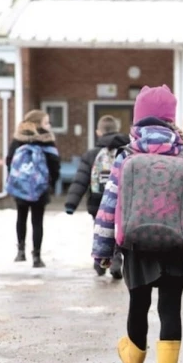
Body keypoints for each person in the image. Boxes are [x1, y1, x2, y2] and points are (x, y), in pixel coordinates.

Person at [92, 85, 183, 363]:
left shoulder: (126, 156)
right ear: (171, 120)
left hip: (136, 244)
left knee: (139, 303)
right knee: (170, 308)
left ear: (138, 119)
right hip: (176, 244)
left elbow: (108, 208)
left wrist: (102, 250)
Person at [64, 115, 131, 279]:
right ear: (118, 128)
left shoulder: (91, 154)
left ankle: (99, 262)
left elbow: (81, 180)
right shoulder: (128, 152)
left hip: (97, 201)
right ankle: (116, 261)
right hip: (122, 200)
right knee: (118, 231)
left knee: (100, 230)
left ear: (98, 132)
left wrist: (71, 203)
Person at [5, 109, 60, 268]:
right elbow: (55, 164)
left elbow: (9, 161)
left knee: (21, 217)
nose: (49, 125)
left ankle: (20, 251)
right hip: (40, 187)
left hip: (21, 186)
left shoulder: (18, 139)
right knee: (38, 221)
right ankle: (37, 256)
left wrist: (16, 180)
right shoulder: (47, 141)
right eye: (46, 122)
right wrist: (50, 183)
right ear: (38, 124)